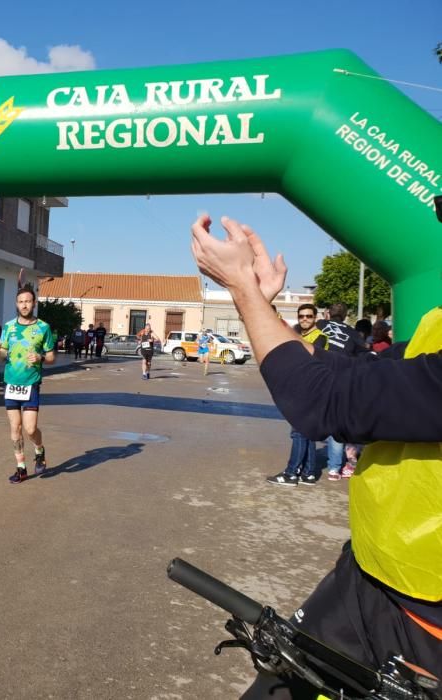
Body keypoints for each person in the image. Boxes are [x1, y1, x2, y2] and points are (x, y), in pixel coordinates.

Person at [191, 212, 442, 697]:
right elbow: (342, 371)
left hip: (426, 627)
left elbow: (319, 400)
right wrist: (260, 305)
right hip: (369, 581)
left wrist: (241, 287)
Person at [0, 285, 56, 484]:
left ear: (34, 303)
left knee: (30, 429)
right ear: (16, 304)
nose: (24, 305)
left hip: (31, 384)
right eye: (21, 302)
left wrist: (40, 357)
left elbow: (52, 357)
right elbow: (3, 355)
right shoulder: (9, 327)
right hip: (11, 383)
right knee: (15, 427)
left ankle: (39, 449)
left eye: (28, 301)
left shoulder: (43, 327)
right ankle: (21, 468)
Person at [266, 305, 328, 486]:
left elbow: (307, 359)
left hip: (310, 388)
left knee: (298, 432)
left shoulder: (320, 337)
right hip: (300, 386)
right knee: (306, 431)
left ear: (315, 317)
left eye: (309, 316)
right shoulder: (298, 333)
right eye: (301, 316)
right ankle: (308, 472)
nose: (305, 319)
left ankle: (291, 473)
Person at [317, 302, 369, 481]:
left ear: (328, 313)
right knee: (336, 425)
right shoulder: (352, 333)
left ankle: (306, 467)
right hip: (340, 383)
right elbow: (364, 355)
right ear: (346, 316)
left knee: (305, 423)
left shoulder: (319, 326)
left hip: (317, 379)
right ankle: (334, 469)